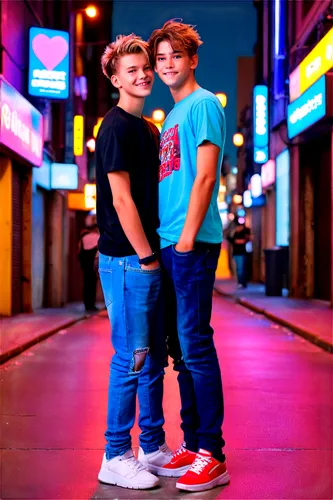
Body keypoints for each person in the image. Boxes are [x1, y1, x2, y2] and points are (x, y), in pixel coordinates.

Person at [148, 20, 229, 492]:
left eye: (175, 56)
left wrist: (184, 241)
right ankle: (193, 442)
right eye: (160, 59)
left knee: (196, 346)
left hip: (191, 243)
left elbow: (203, 178)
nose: (167, 65)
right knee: (180, 352)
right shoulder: (172, 115)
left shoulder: (203, 105)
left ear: (192, 59)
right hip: (171, 240)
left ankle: (212, 453)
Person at [95, 34, 172, 490]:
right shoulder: (116, 127)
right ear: (114, 79)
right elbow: (122, 200)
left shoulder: (148, 129)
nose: (143, 75)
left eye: (146, 67)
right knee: (132, 356)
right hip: (126, 260)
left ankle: (152, 445)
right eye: (132, 70)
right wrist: (146, 257)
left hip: (146, 257)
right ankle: (115, 453)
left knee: (154, 356)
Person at [78, 216, 99, 312]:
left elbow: (79, 251)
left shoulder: (83, 237)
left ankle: (87, 304)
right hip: (93, 264)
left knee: (86, 284)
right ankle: (91, 305)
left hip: (85, 263)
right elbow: (98, 253)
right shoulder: (97, 237)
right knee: (92, 284)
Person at [230, 218, 251, 288]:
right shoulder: (234, 233)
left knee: (241, 269)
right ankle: (240, 282)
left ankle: (242, 282)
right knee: (238, 269)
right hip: (235, 253)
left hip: (242, 253)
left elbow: (246, 240)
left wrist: (239, 241)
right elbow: (231, 240)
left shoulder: (245, 231)